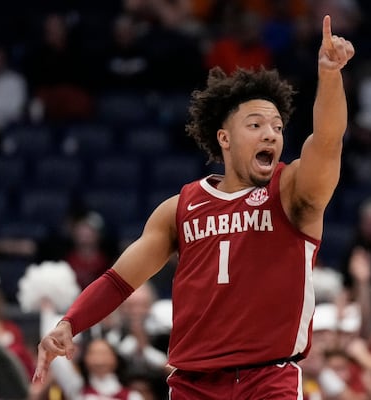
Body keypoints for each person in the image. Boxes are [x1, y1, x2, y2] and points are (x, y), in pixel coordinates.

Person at [35, 15, 354, 398]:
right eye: (255, 125)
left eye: (277, 127)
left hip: (267, 380)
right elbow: (119, 280)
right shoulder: (179, 208)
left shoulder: (292, 193)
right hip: (193, 383)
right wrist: (69, 323)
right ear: (224, 138)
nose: (271, 132)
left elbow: (328, 140)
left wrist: (330, 75)